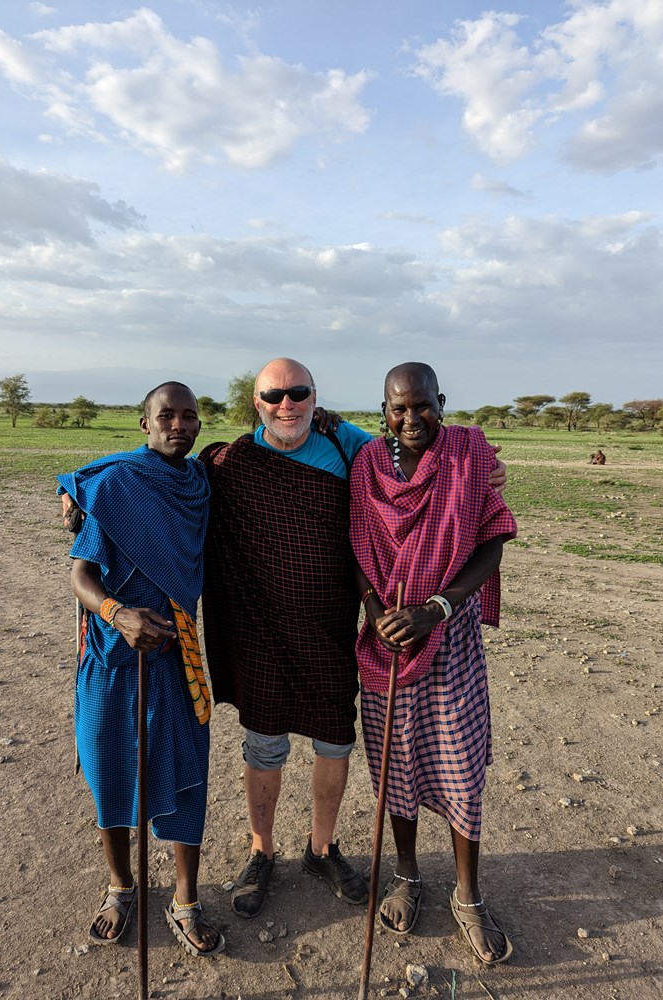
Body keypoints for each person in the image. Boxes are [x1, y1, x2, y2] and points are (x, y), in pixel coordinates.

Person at [199, 358, 507, 922]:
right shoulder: (231, 459)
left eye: (299, 393)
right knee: (263, 745)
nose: (286, 404)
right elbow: (168, 478)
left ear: (317, 399)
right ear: (256, 402)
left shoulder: (351, 449)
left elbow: (431, 473)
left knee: (334, 743)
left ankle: (322, 850)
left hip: (332, 628)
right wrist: (81, 491)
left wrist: (486, 470)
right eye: (274, 395)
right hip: (263, 629)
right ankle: (260, 851)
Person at [349, 362, 517, 966]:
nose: (411, 418)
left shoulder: (470, 454)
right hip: (387, 639)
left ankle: (468, 894)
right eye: (399, 408)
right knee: (395, 758)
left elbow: (493, 539)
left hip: (449, 634)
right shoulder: (368, 464)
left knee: (461, 761)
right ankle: (407, 874)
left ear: (440, 403)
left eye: (422, 405)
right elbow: (358, 550)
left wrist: (436, 609)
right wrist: (375, 613)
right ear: (384, 411)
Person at [56, 382, 224, 957]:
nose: (179, 425)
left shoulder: (201, 484)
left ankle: (184, 898)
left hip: (176, 654)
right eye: (166, 416)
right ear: (144, 423)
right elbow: (81, 576)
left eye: (189, 416)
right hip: (111, 654)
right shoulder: (113, 487)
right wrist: (117, 613)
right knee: (110, 770)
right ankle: (120, 887)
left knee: (184, 774)